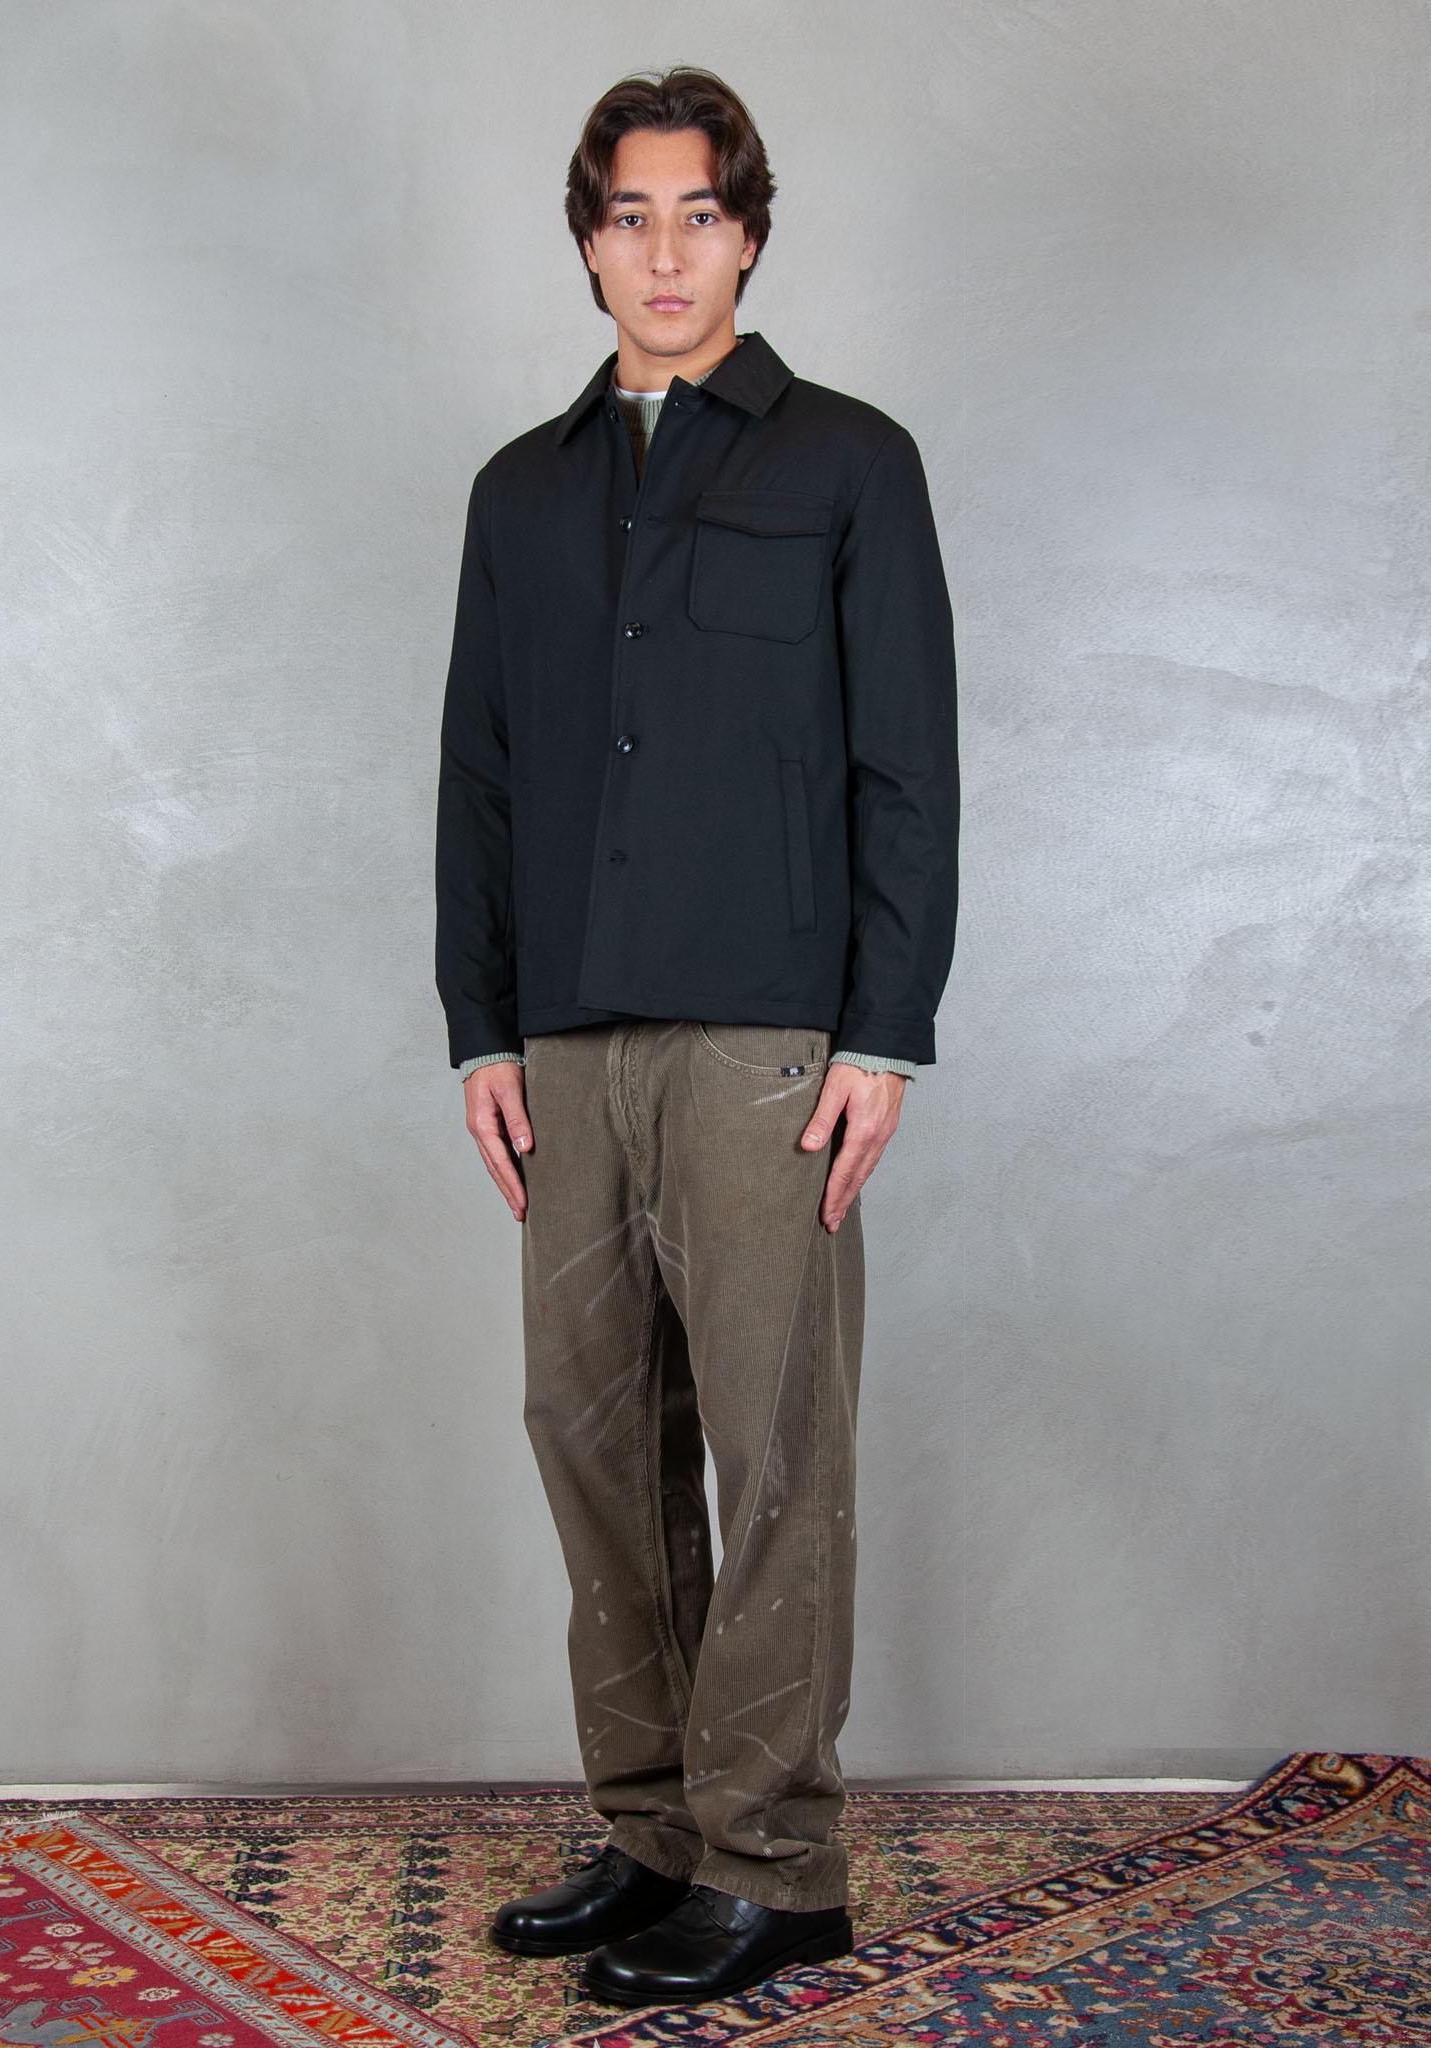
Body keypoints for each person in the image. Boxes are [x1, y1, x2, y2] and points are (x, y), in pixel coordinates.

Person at [433, 64, 958, 2009]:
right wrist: (479, 1028)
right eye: (628, 216)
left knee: (771, 1448)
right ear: (587, 245)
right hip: (566, 1039)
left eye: (699, 214)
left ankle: (774, 1864)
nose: (664, 252)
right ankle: (653, 1833)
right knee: (591, 1439)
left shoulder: (848, 466)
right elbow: (480, 774)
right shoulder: (518, 493)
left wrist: (881, 1033)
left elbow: (906, 766)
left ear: (747, 235)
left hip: (767, 1040)